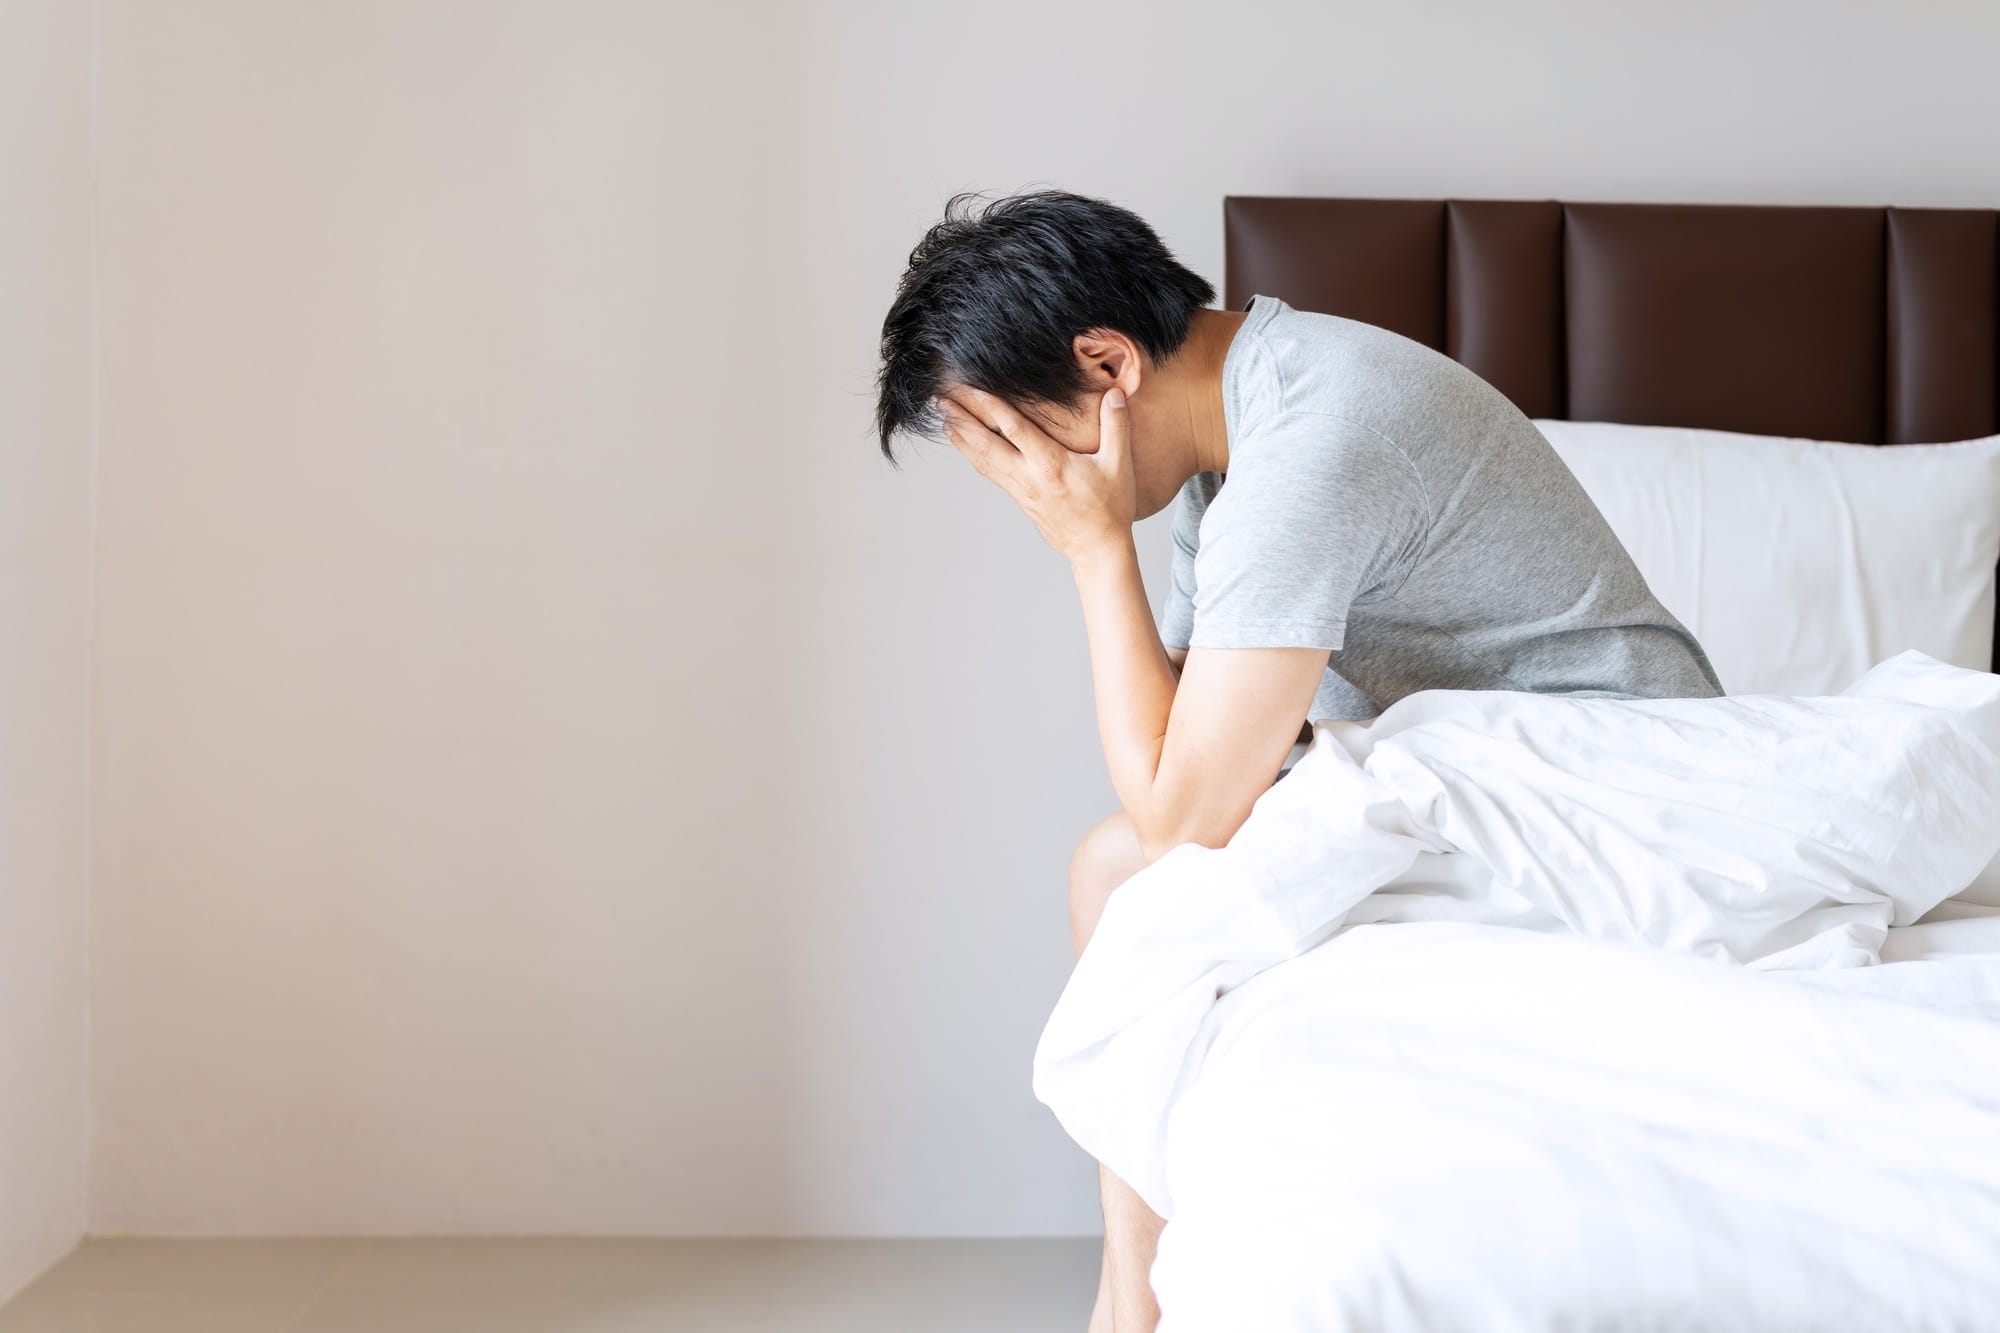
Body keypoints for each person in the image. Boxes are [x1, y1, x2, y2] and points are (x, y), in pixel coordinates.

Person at [872, 189, 1723, 1332]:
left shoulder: (1310, 445)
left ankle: (1128, 1309)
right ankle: (1129, 1301)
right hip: (1495, 776)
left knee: (1128, 868)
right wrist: (1104, 538)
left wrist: (1088, 549)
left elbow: (1182, 818)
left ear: (1106, 362)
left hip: (1615, 784)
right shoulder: (1243, 435)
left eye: (1014, 443)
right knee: (1114, 871)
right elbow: (1181, 748)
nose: (1024, 483)